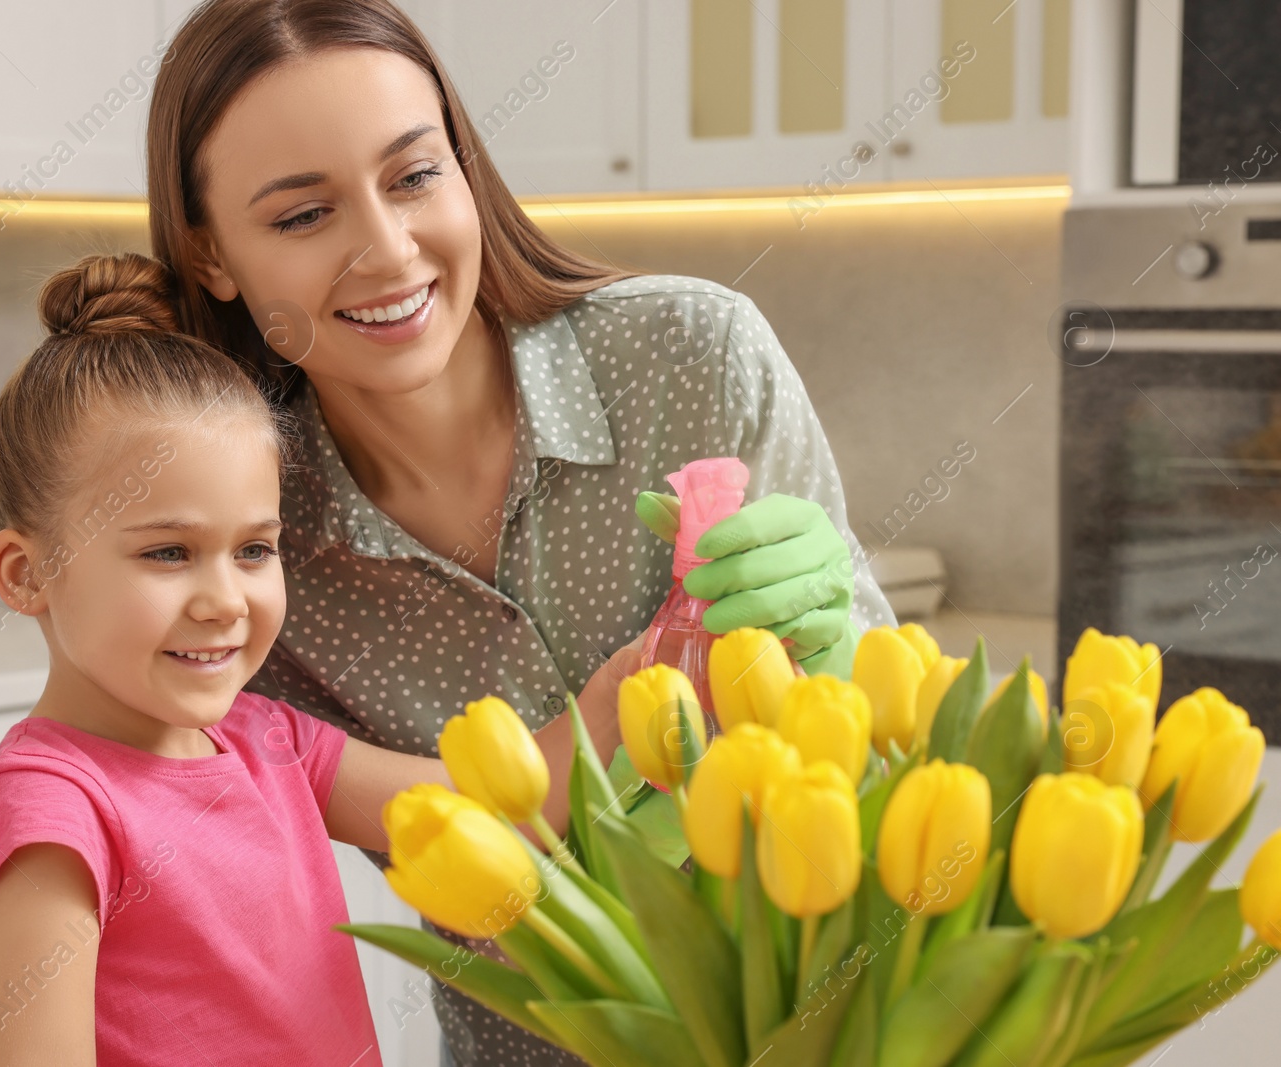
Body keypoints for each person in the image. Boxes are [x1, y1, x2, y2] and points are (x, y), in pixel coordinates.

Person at [144, 1, 896, 1060]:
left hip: (828, 1026)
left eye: (412, 177)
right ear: (211, 254)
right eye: (302, 216)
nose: (388, 249)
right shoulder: (250, 541)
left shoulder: (690, 357)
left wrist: (840, 649)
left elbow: (891, 738)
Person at [0, 252, 641, 1067]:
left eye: (253, 549)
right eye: (169, 552)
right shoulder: (52, 807)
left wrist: (624, 687)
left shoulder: (266, 740)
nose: (224, 599)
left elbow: (488, 811)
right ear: (26, 574)